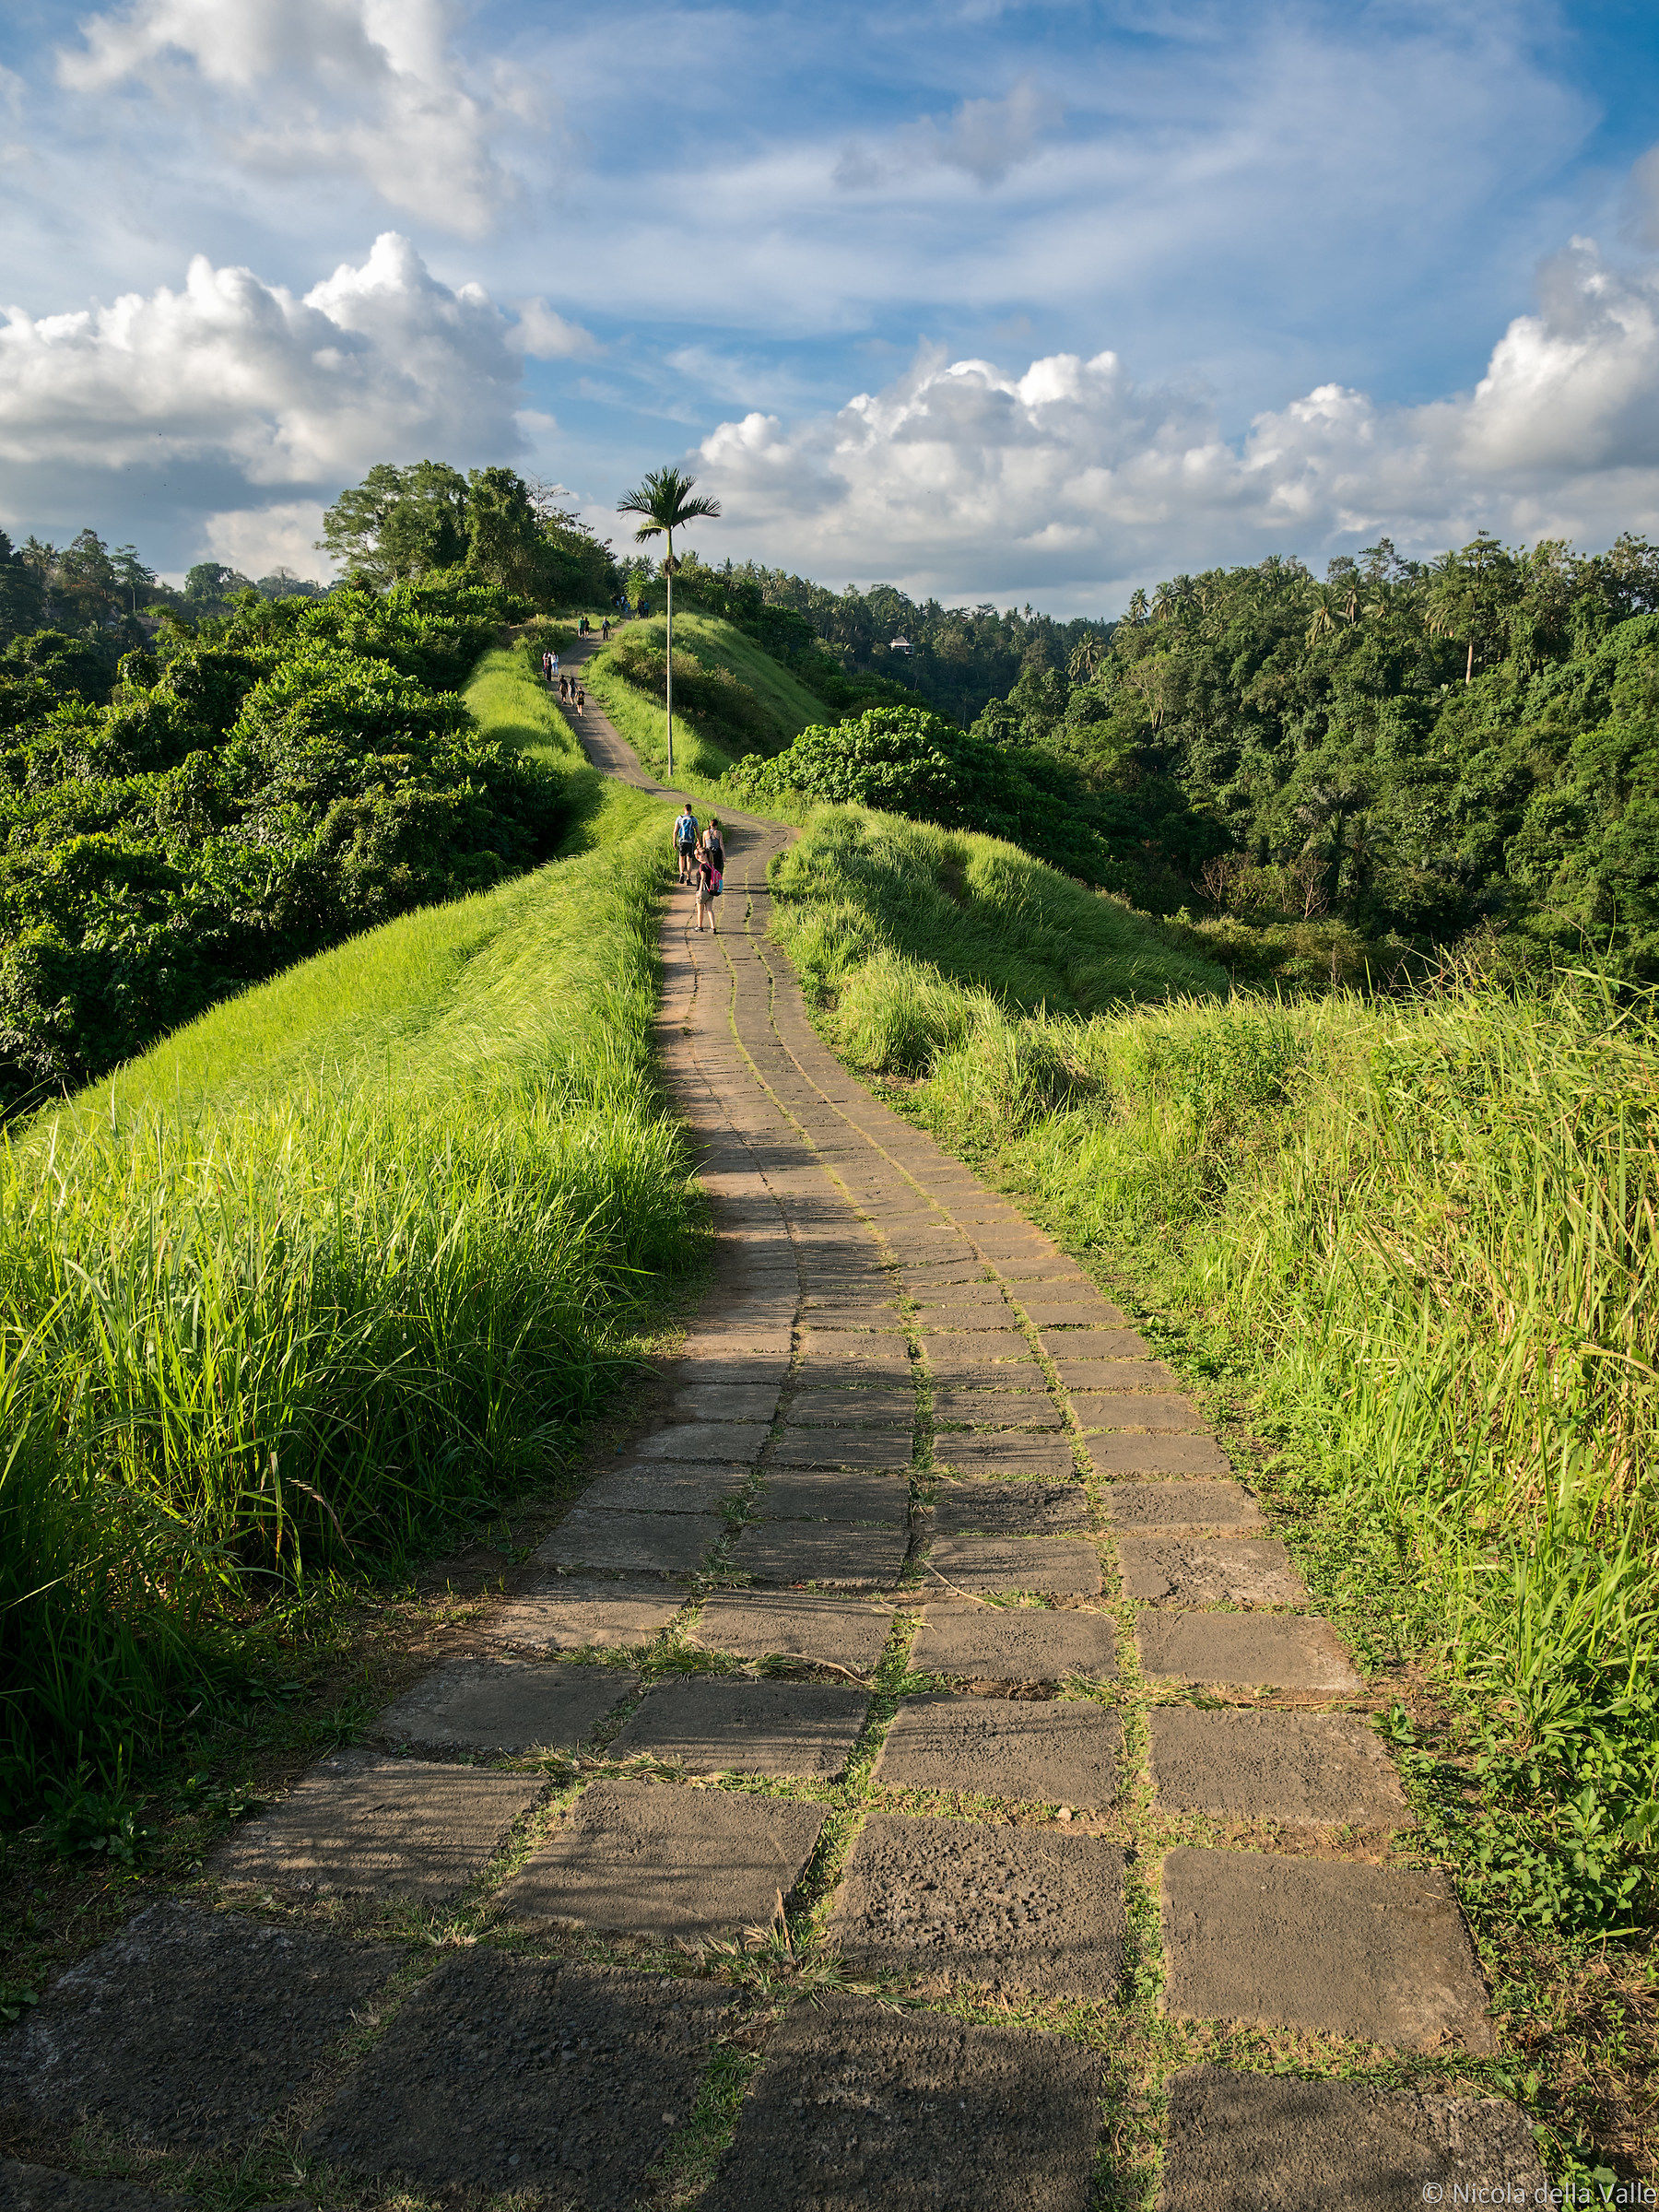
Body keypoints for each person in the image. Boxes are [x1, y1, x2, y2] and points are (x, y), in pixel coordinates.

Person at [694, 845, 720, 934]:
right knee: (709, 909)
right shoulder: (710, 865)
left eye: (700, 854)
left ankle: (699, 926)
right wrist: (696, 853)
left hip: (703, 891)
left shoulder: (702, 866)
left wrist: (700, 892)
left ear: (705, 855)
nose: (698, 856)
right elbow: (699, 859)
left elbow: (702, 879)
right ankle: (713, 927)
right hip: (710, 891)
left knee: (700, 910)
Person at [673, 802, 700, 885]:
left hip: (682, 841)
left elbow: (675, 831)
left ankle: (681, 873)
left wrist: (674, 842)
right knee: (689, 860)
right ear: (691, 810)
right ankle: (688, 879)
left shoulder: (679, 818)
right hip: (690, 842)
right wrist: (699, 841)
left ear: (684, 809)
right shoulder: (693, 819)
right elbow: (698, 832)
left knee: (681, 858)